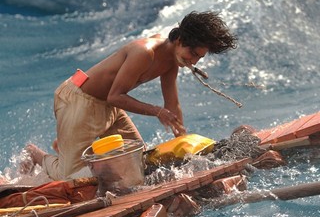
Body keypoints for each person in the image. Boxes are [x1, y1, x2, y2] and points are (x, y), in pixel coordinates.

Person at [23, 11, 237, 180]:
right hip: (78, 100)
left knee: (137, 163)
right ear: (180, 39)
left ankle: (69, 143)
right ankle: (37, 154)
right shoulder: (145, 52)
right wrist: (156, 112)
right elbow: (115, 96)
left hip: (107, 107)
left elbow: (172, 105)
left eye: (200, 57)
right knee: (70, 177)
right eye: (193, 54)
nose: (194, 62)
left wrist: (186, 147)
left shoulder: (173, 61)